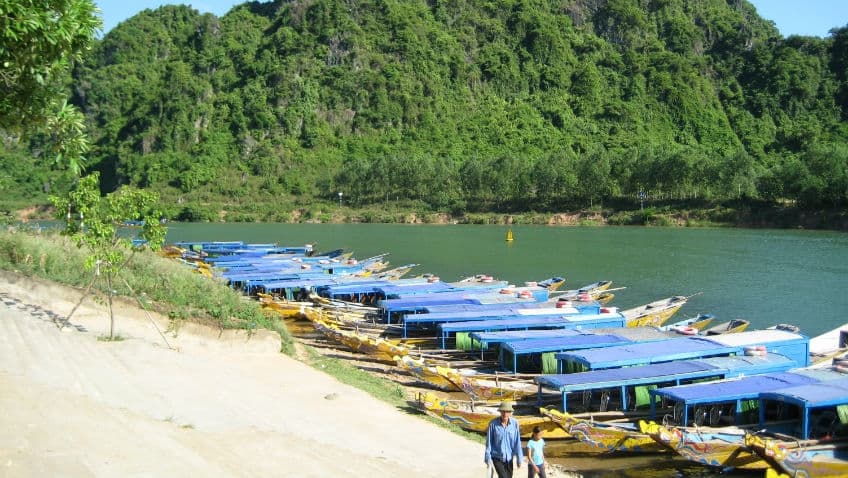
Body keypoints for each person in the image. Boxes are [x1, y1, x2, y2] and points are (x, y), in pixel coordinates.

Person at [484, 401, 523, 478]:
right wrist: (487, 458)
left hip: (509, 457)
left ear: (510, 412)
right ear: (500, 412)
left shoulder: (515, 423)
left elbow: (517, 442)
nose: (505, 414)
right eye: (503, 411)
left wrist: (519, 458)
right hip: (497, 457)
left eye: (507, 412)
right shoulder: (493, 424)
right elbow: (489, 442)